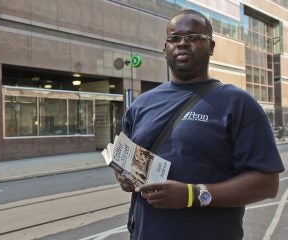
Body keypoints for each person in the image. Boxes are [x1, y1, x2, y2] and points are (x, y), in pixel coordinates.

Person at [115, 9, 285, 240]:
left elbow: (267, 184)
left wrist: (191, 195)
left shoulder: (237, 103)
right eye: (174, 38)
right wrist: (125, 176)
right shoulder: (142, 104)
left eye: (194, 37)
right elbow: (125, 161)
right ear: (165, 48)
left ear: (211, 47)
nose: (182, 43)